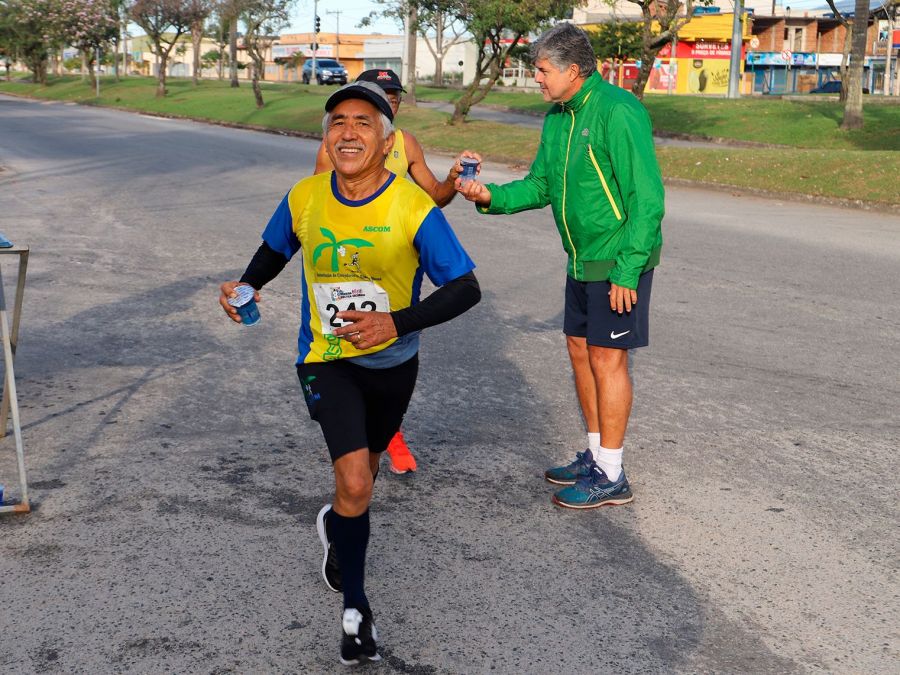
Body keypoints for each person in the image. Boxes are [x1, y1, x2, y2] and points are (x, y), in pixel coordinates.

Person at [219, 81, 480, 663]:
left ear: (388, 142)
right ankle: (357, 614)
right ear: (326, 137)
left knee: (362, 476)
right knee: (358, 480)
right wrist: (245, 287)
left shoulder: (411, 205)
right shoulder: (305, 197)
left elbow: (465, 288)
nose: (348, 131)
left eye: (364, 122)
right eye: (337, 121)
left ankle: (338, 530)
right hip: (325, 361)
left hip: (395, 363)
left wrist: (396, 322)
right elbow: (273, 252)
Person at [457, 22, 664, 509]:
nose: (538, 80)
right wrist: (489, 195)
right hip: (580, 257)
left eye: (544, 71)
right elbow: (541, 185)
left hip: (617, 257)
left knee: (608, 359)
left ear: (574, 70)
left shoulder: (619, 110)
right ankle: (595, 455)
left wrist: (628, 269)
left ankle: (612, 474)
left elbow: (648, 199)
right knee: (579, 351)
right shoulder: (558, 117)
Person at [315, 68, 472, 474]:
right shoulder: (337, 146)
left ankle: (385, 431)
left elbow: (434, 197)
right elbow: (318, 214)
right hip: (351, 260)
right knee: (353, 349)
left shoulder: (406, 143)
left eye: (396, 93)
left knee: (394, 342)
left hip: (398, 261)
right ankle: (370, 435)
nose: (393, 99)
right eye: (382, 93)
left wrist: (453, 179)